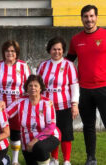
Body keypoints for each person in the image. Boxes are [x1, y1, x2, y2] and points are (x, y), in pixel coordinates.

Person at [66, 5, 106, 165]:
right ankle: (91, 158)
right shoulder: (76, 40)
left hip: (104, 88)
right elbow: (68, 62)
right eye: (85, 17)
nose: (89, 20)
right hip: (84, 90)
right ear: (81, 18)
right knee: (88, 126)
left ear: (96, 17)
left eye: (91, 16)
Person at [37, 37, 79, 165]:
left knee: (66, 134)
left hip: (64, 106)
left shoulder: (68, 65)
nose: (57, 52)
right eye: (54, 49)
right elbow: (37, 84)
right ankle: (54, 159)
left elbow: (74, 85)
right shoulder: (43, 65)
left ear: (63, 50)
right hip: (47, 107)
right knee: (51, 133)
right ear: (49, 50)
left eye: (59, 49)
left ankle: (66, 160)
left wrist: (74, 104)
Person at [0, 40, 30, 165]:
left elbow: (28, 87)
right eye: (7, 51)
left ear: (17, 52)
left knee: (15, 132)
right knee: (0, 131)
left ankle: (15, 159)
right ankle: (2, 156)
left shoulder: (23, 66)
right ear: (3, 52)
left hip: (17, 105)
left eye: (12, 51)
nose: (10, 53)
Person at [6, 75, 61, 165]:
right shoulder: (20, 101)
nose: (33, 88)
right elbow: (5, 114)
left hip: (50, 136)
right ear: (27, 88)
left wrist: (35, 141)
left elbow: (51, 126)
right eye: (30, 86)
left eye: (36, 85)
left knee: (40, 147)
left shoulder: (47, 103)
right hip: (27, 143)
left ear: (40, 88)